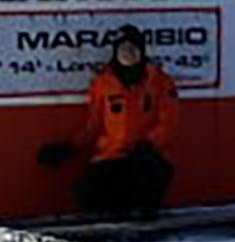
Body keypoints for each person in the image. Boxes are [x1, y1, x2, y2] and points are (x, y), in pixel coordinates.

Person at [37, 24, 178, 219]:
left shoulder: (160, 82)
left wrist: (149, 145)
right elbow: (93, 125)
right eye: (123, 49)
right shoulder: (103, 83)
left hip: (147, 156)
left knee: (147, 173)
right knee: (86, 192)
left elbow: (168, 122)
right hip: (112, 155)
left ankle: (143, 212)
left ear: (142, 52)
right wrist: (70, 147)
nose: (128, 54)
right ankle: (114, 212)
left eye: (133, 49)